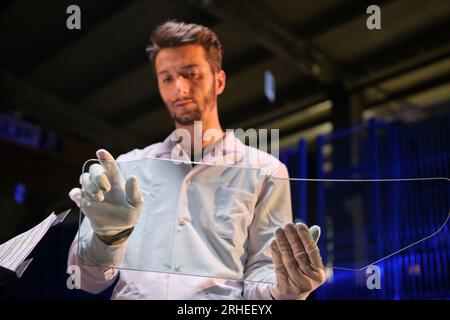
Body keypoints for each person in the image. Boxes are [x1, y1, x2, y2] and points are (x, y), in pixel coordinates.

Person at [67, 20, 325, 300]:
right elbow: (85, 281)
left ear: (219, 80)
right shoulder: (128, 167)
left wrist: (283, 290)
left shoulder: (265, 171)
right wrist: (106, 237)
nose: (179, 88)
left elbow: (262, 270)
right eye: (167, 78)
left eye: (191, 74)